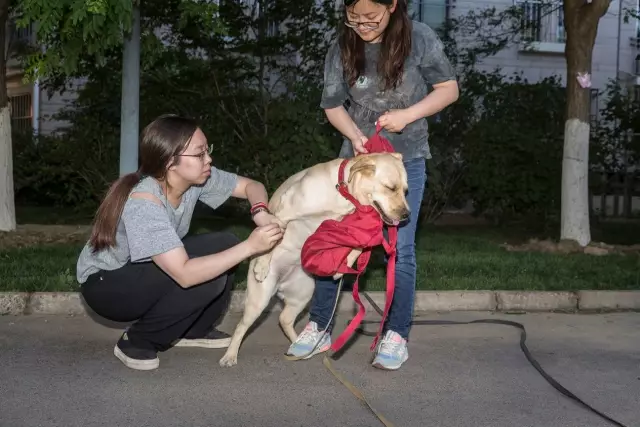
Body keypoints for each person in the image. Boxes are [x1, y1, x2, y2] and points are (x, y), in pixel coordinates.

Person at [286, 0, 459, 370]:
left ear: (392, 5)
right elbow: (332, 106)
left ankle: (396, 334)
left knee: (401, 248)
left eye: (370, 17)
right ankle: (319, 325)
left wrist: (408, 115)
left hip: (406, 159)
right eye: (353, 17)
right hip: (356, 165)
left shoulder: (420, 38)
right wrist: (354, 136)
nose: (361, 25)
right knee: (337, 238)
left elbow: (448, 89)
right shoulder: (343, 45)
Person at [76, 114, 284, 371]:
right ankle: (137, 341)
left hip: (137, 272)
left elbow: (252, 186)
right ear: (170, 161)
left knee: (225, 244)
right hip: (106, 286)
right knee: (206, 274)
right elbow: (185, 274)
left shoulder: (195, 180)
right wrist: (251, 247)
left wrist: (260, 211)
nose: (208, 159)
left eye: (207, 151)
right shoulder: (144, 202)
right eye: (199, 154)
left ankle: (194, 330)